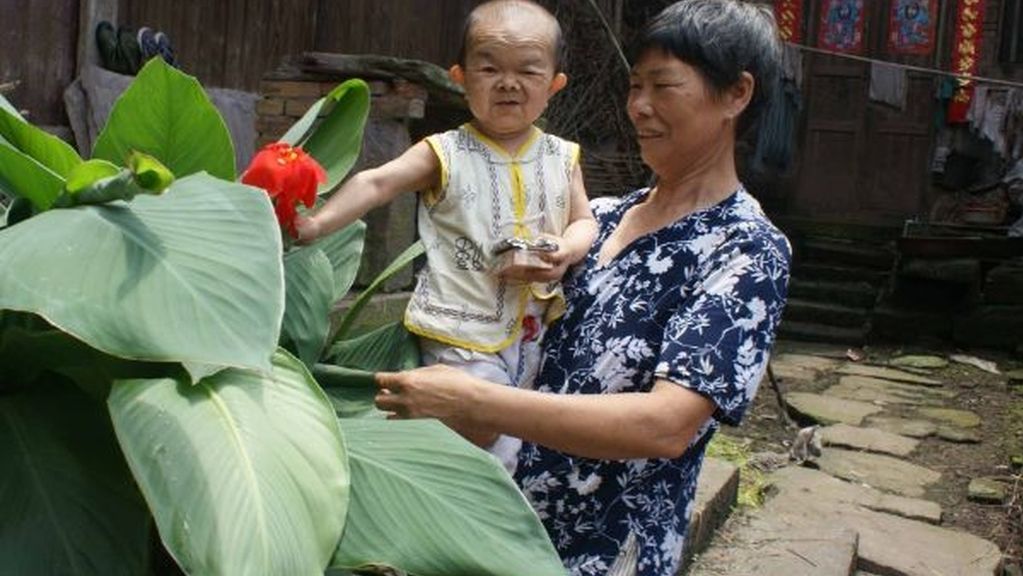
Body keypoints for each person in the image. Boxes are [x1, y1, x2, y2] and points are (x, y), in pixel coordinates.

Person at [374, 1, 791, 575]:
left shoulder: (745, 249)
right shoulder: (594, 219)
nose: (639, 107)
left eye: (664, 86)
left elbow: (667, 426)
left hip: (602, 553)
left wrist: (474, 400)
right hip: (495, 530)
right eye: (635, 85)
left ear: (736, 94)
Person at [297, 0, 598, 473]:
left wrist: (566, 249)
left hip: (533, 331)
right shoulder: (445, 152)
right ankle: (480, 522)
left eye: (528, 71)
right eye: (489, 67)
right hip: (461, 330)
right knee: (486, 438)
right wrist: (315, 224)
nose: (509, 83)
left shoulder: (563, 157)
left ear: (554, 84)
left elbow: (584, 222)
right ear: (460, 76)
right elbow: (377, 182)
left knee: (517, 434)